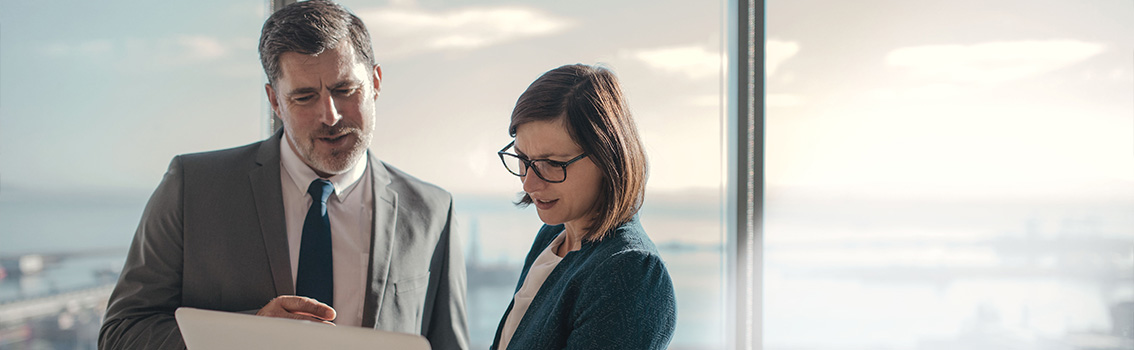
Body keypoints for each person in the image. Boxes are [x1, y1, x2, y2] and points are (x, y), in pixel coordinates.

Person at [99, 1, 468, 349]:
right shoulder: (192, 187)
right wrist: (249, 335)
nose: (331, 115)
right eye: (304, 97)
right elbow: (121, 334)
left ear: (375, 82)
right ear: (274, 101)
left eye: (345, 89)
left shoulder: (432, 210)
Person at [490, 64, 677, 350]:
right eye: (523, 159)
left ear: (608, 158)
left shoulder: (629, 272)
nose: (529, 184)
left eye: (552, 164)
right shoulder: (552, 236)